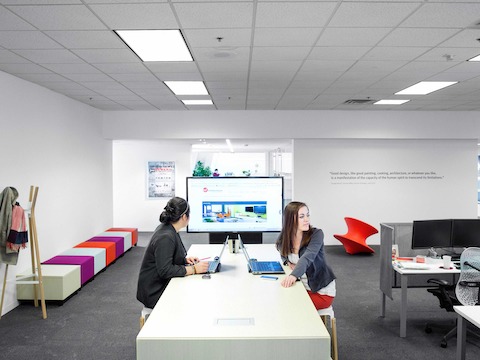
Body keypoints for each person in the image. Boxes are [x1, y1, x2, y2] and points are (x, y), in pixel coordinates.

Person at [137, 197, 209, 309]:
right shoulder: (166, 237)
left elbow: (166, 256)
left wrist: (184, 260)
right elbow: (165, 270)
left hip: (158, 284)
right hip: (154, 292)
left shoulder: (168, 229)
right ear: (184, 217)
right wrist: (194, 269)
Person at [276, 201, 336, 311]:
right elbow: (282, 251)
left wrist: (293, 275)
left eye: (307, 215)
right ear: (290, 220)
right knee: (278, 297)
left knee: (288, 307)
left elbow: (307, 258)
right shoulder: (285, 237)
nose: (307, 219)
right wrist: (288, 262)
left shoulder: (316, 234)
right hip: (301, 287)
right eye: (301, 216)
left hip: (320, 292)